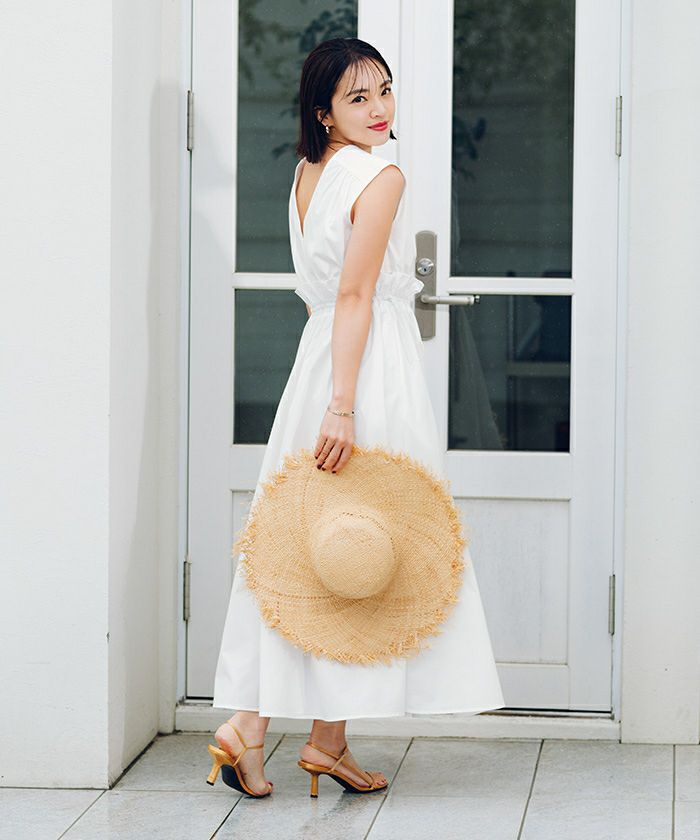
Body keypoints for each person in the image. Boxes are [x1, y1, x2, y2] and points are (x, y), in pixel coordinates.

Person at [210, 37, 505, 797]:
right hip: (364, 372)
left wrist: (329, 392)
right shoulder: (380, 176)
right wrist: (344, 406)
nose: (378, 109)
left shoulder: (308, 175)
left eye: (384, 90)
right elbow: (354, 296)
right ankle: (285, 732)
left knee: (319, 546)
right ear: (324, 112)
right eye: (357, 98)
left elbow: (331, 299)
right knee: (368, 544)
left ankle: (289, 734)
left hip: (320, 361)